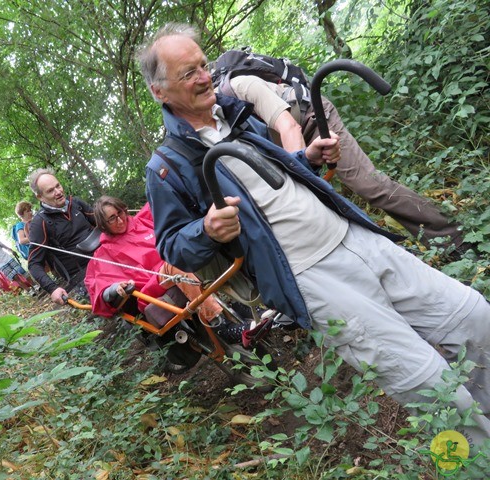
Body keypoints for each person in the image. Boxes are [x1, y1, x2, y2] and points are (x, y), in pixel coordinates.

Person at [137, 23, 490, 446]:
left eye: (203, 65)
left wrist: (305, 157)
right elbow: (173, 245)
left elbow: (277, 178)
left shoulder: (233, 113)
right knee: (429, 386)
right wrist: (207, 228)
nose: (203, 76)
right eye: (187, 73)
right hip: (314, 277)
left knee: (475, 319)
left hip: (355, 237)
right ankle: (475, 462)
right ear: (160, 92)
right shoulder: (167, 165)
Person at [224, 73, 467, 252]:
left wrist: (303, 184)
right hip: (292, 149)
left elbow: (290, 128)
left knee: (369, 186)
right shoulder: (208, 127)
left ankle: (456, 239)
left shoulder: (240, 86)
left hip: (312, 121)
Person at [84, 196, 246, 342]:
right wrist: (114, 288)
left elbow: (160, 200)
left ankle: (240, 301)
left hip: (173, 270)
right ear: (104, 225)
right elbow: (97, 282)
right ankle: (219, 325)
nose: (120, 220)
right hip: (151, 287)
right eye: (112, 219)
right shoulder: (105, 252)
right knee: (174, 263)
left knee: (200, 243)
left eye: (120, 213)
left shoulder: (141, 221)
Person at [27, 168, 96, 306]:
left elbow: (102, 222)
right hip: (82, 274)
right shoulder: (40, 223)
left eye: (58, 186)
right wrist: (52, 289)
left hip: (106, 256)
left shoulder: (75, 203)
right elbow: (34, 264)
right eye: (50, 191)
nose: (58, 192)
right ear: (40, 197)